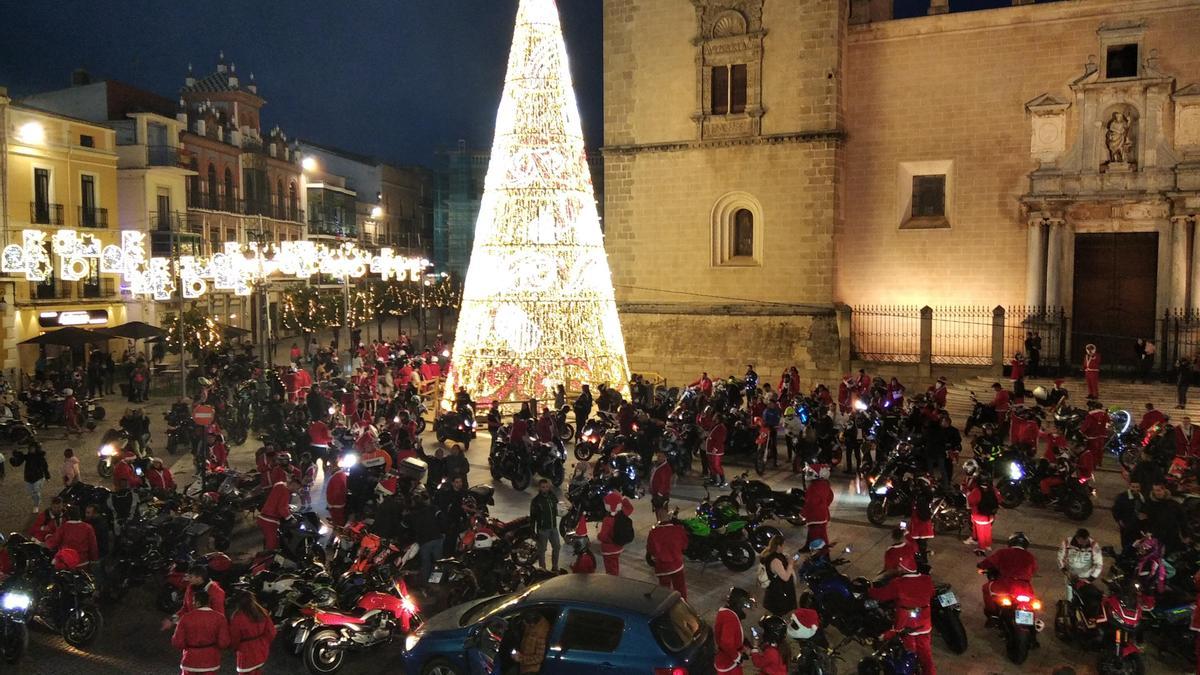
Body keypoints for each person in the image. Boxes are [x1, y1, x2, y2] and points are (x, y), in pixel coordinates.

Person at [869, 561, 937, 674]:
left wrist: (869, 590)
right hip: (924, 623)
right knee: (926, 655)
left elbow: (881, 595)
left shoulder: (898, 583)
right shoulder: (926, 579)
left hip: (906, 625)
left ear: (902, 568)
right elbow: (932, 593)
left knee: (910, 653)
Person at [978, 533, 1038, 618]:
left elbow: (990, 562)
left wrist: (981, 566)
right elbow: (1034, 569)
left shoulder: (1003, 552)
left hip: (1005, 584)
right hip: (1025, 586)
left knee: (986, 588)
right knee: (1031, 604)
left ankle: (992, 615)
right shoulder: (1031, 557)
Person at [171, 588, 230, 675]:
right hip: (210, 659)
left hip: (190, 659)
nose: (192, 603)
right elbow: (224, 642)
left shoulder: (186, 618)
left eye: (193, 601)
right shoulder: (219, 618)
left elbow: (177, 642)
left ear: (198, 602)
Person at [1057, 528, 1103, 625]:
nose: (1084, 544)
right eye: (1082, 541)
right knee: (1070, 597)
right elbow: (1060, 557)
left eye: (1086, 541)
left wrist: (1091, 578)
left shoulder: (1093, 545)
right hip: (1071, 576)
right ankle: (1070, 614)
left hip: (1086, 578)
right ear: (1077, 538)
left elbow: (1099, 563)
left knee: (1085, 597)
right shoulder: (1067, 543)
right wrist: (1064, 570)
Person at [646, 498, 688, 598]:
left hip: (663, 567)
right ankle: (683, 606)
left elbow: (651, 550)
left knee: (664, 590)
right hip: (677, 564)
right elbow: (684, 545)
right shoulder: (678, 529)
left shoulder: (654, 533)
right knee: (680, 588)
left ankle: (667, 607)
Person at [228, 591, 276, 675]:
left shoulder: (237, 617)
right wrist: (264, 643)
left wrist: (235, 648)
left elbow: (235, 638)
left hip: (246, 653)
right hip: (261, 650)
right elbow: (271, 632)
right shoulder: (261, 612)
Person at [715, 587, 754, 675]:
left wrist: (743, 645)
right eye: (744, 607)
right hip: (728, 665)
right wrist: (738, 658)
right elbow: (726, 643)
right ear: (738, 605)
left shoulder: (727, 614)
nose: (744, 610)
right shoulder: (730, 619)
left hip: (727, 660)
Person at [759, 534, 797, 616]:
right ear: (779, 546)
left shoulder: (772, 553)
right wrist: (790, 564)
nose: (784, 547)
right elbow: (785, 577)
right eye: (783, 545)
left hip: (777, 589)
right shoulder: (775, 561)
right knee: (779, 611)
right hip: (779, 591)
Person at [258, 476, 298, 551]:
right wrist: (291, 518)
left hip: (263, 517)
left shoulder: (279, 485)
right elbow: (282, 508)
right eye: (296, 488)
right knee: (272, 544)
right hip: (269, 521)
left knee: (274, 541)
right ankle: (268, 561)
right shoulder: (286, 492)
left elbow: (277, 500)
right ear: (293, 484)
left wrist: (287, 506)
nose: (296, 491)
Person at [597, 490, 632, 576]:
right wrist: (622, 498)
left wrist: (598, 536)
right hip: (618, 547)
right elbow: (630, 508)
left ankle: (613, 583)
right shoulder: (622, 515)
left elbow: (604, 536)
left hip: (609, 549)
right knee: (615, 564)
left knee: (610, 570)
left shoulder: (607, 520)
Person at [10, 443, 51, 513]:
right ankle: (36, 501)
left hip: (38, 477)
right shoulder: (28, 457)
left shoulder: (40, 457)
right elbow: (18, 462)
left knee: (36, 492)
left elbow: (45, 467)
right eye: (30, 448)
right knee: (31, 493)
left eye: (33, 448)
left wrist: (47, 476)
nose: (31, 449)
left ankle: (36, 505)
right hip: (28, 478)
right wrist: (15, 453)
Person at [530, 479, 561, 571]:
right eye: (543, 487)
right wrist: (532, 531)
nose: (545, 489)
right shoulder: (536, 501)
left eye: (547, 487)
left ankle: (555, 567)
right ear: (539, 488)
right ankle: (542, 569)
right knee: (542, 550)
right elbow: (533, 517)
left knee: (557, 547)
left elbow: (557, 508)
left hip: (553, 528)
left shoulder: (552, 497)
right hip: (543, 530)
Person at [966, 473, 1001, 554]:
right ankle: (988, 544)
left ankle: (982, 547)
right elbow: (999, 499)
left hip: (979, 515)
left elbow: (971, 501)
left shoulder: (977, 491)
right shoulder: (993, 489)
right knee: (987, 530)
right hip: (990, 515)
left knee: (980, 532)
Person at [800, 464, 833, 549]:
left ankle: (820, 556)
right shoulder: (825, 484)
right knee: (822, 534)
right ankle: (809, 547)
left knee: (815, 536)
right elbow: (830, 497)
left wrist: (803, 514)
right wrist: (825, 505)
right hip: (823, 515)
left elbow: (810, 503)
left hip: (815, 516)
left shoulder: (813, 488)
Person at [1111, 480, 1144, 554]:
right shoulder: (1122, 497)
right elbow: (1115, 509)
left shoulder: (1142, 496)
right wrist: (1119, 520)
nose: (1135, 489)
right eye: (1133, 487)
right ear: (1129, 486)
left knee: (1137, 543)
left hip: (1138, 525)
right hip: (1127, 525)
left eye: (1137, 487)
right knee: (1126, 543)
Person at [706, 413, 728, 487]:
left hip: (716, 451)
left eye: (715, 417)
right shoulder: (715, 426)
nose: (713, 417)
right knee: (711, 465)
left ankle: (722, 480)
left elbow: (720, 439)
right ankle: (714, 479)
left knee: (716, 465)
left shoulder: (721, 427)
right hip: (710, 450)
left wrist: (715, 448)